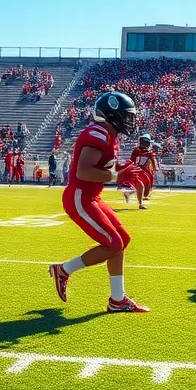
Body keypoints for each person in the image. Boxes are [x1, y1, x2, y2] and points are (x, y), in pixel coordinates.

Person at [48, 91, 149, 313]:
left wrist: (120, 169)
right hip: (80, 198)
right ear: (112, 115)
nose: (130, 121)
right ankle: (63, 270)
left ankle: (117, 299)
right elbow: (84, 171)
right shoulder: (98, 134)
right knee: (112, 244)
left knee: (122, 240)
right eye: (126, 116)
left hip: (91, 197)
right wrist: (116, 176)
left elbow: (101, 168)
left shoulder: (107, 135)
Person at [130, 135, 157, 201]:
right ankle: (139, 193)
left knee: (150, 178)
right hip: (138, 168)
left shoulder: (149, 152)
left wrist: (154, 167)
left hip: (144, 169)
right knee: (143, 180)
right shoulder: (136, 150)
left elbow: (153, 160)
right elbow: (132, 160)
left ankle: (145, 194)